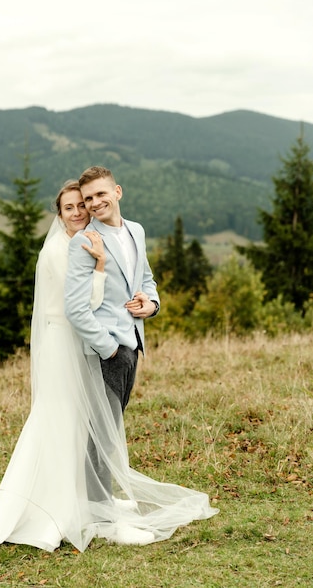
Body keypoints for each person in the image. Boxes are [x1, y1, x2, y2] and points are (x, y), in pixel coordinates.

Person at [64, 166, 219, 545]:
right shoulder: (84, 241)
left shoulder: (136, 230)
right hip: (106, 351)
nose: (95, 203)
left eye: (101, 195)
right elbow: (75, 308)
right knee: (99, 435)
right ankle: (101, 523)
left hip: (134, 344)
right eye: (88, 200)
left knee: (110, 430)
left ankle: (99, 502)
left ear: (117, 191)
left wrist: (151, 304)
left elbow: (145, 279)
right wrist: (109, 348)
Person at [0, 180, 108, 553]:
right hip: (62, 343)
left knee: (68, 422)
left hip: (71, 341)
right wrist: (101, 266)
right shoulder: (60, 250)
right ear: (59, 214)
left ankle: (68, 499)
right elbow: (85, 302)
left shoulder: (76, 243)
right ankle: (49, 508)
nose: (77, 212)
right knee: (58, 419)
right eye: (68, 207)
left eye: (80, 206)